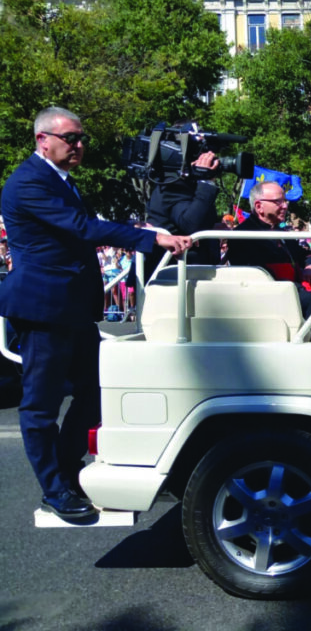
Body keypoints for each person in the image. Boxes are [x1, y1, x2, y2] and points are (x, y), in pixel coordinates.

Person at [0, 107, 190, 521]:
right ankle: (55, 489)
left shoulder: (59, 180)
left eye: (81, 138)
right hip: (43, 310)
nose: (79, 145)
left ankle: (68, 471)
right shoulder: (29, 182)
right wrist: (150, 237)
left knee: (96, 392)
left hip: (72, 310)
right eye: (71, 138)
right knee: (40, 407)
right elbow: (82, 228)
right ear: (42, 140)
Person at [226, 181, 311, 342]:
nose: (285, 206)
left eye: (285, 201)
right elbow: (256, 274)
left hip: (291, 291)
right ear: (259, 206)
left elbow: (307, 254)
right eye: (279, 202)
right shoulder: (242, 235)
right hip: (268, 296)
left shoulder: (280, 232)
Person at [143, 150, 222, 276]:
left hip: (196, 273)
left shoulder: (192, 185)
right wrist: (207, 181)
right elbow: (191, 224)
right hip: (173, 277)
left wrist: (214, 228)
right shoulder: (172, 185)